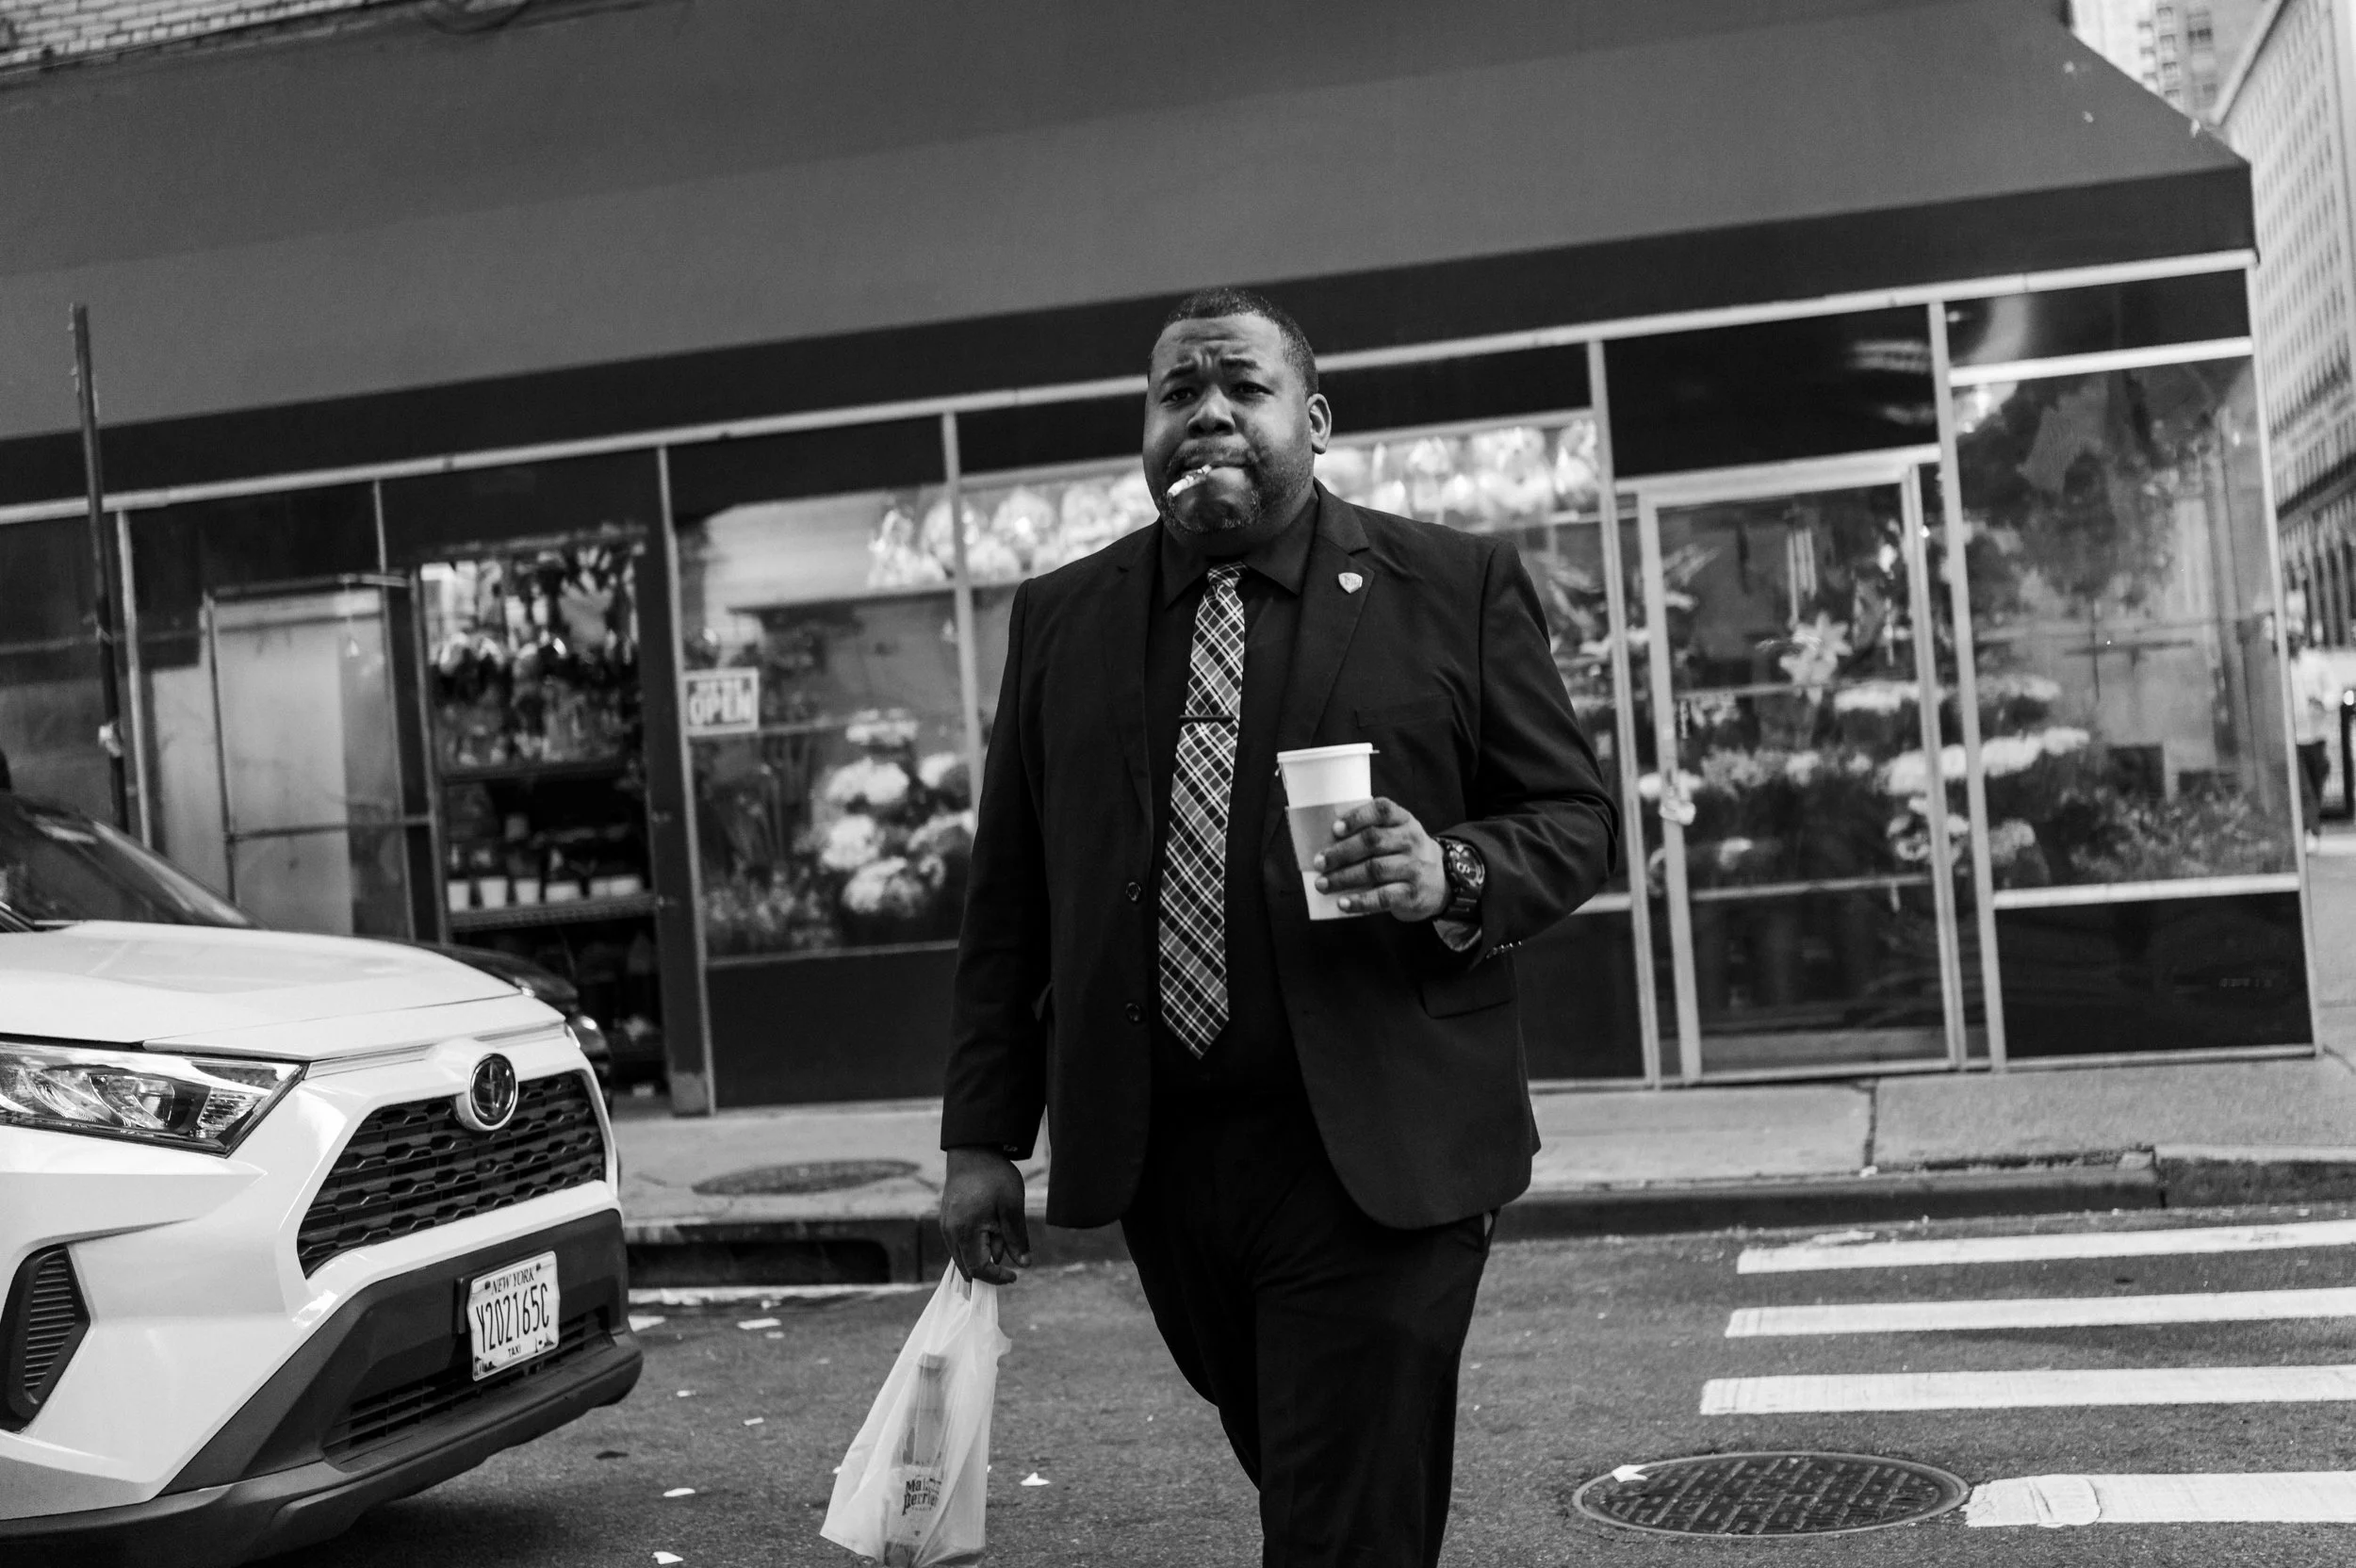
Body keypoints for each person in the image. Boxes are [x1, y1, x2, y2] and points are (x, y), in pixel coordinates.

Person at [937, 286, 1619, 1565]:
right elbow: (1009, 898)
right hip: (1163, 1159)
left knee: (1334, 1507)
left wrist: (1450, 869)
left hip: (1383, 1141)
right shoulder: (1062, 617)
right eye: (1177, 393)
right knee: (1323, 1478)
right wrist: (982, 1137)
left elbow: (1575, 816)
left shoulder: (1450, 585)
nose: (1207, 413)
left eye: (1242, 388)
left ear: (1313, 418)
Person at [2290, 629, 2340, 843]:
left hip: (2316, 734)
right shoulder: (2278, 665)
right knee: (2304, 787)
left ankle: (2310, 824)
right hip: (2293, 738)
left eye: (2294, 638)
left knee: (2316, 780)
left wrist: (2322, 701)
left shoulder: (2316, 662)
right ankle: (2311, 830)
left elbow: (2333, 691)